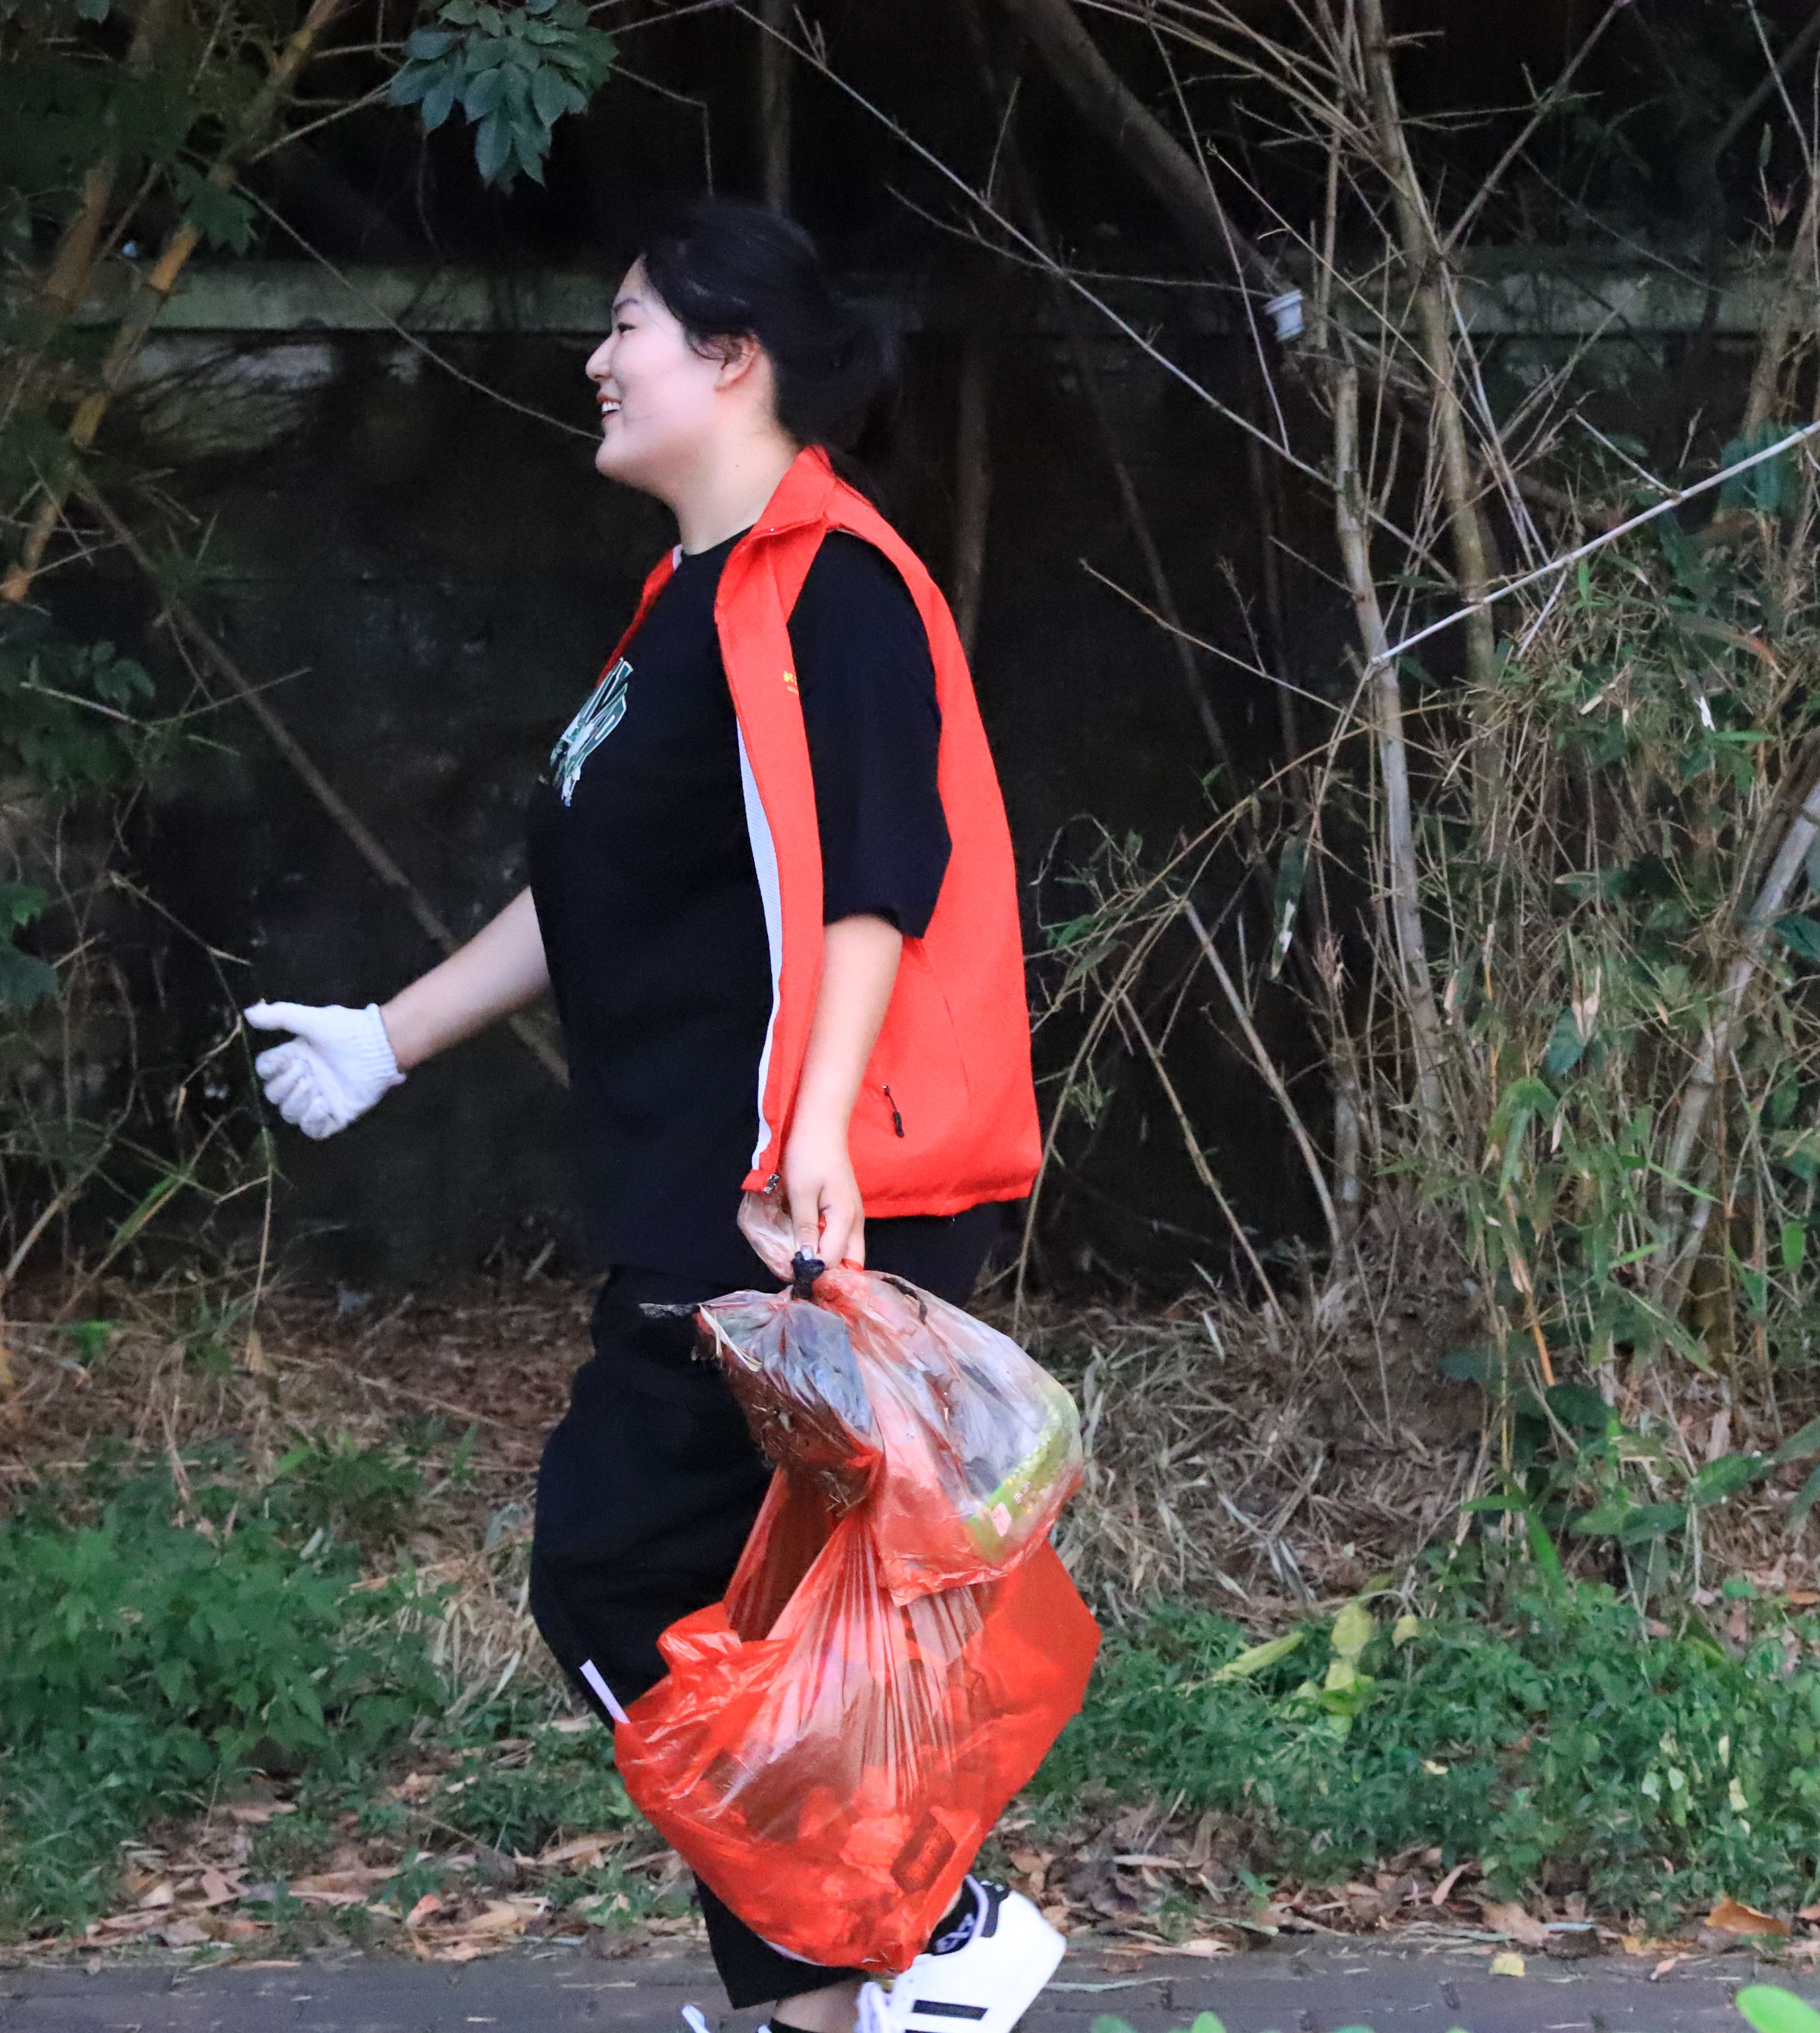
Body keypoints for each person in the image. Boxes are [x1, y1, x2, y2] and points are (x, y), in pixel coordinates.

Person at [242, 199, 1057, 2033]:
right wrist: (390, 1038)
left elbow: (882, 873)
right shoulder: (691, 605)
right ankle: (838, 2001)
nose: (597, 360)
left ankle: (934, 1927)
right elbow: (592, 889)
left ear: (733, 354)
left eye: (629, 325)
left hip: (783, 1192)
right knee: (753, 1623)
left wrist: (818, 1137)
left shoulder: (832, 584)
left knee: (614, 1564)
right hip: (712, 1178)